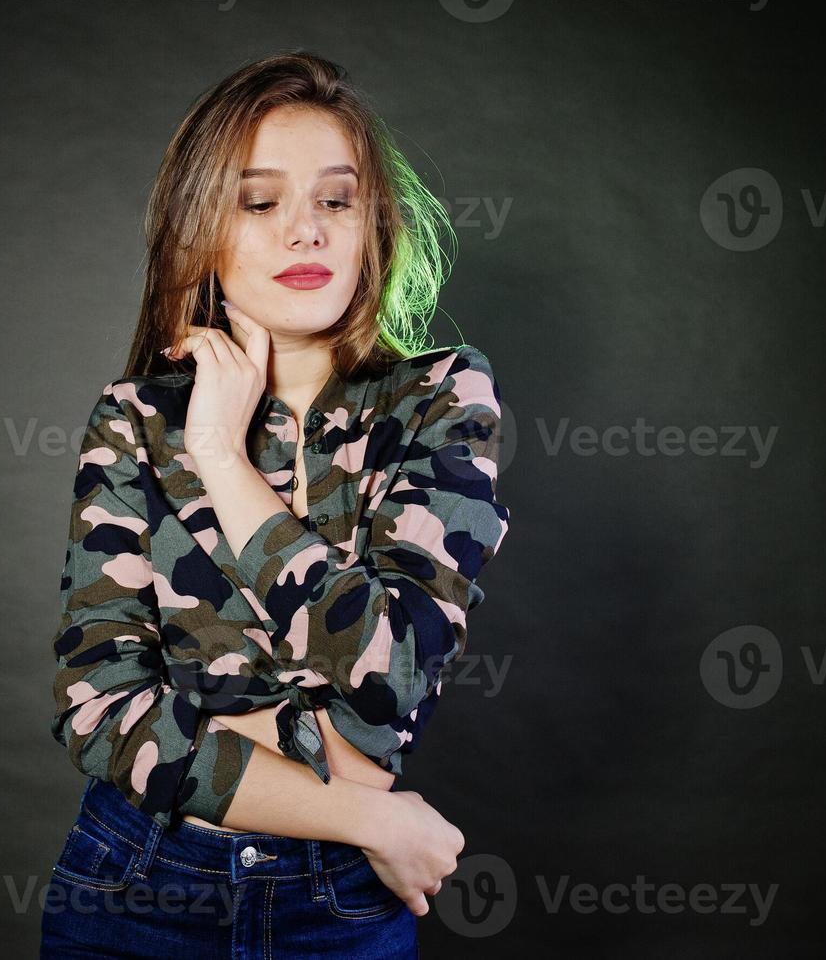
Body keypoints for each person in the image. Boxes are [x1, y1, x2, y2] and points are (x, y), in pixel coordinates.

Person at [40, 49, 510, 958]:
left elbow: (386, 675)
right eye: (259, 203)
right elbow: (97, 711)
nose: (306, 232)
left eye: (334, 201)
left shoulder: (441, 400)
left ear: (372, 227)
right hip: (135, 890)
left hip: (334, 909)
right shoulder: (136, 421)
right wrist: (365, 813)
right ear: (198, 233)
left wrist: (223, 459)